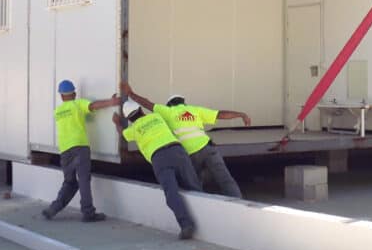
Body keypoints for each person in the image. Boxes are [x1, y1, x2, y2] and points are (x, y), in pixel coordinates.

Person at [120, 81, 250, 198]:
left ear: (170, 105)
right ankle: (238, 202)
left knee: (194, 184)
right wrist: (240, 114)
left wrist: (130, 93)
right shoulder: (195, 110)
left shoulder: (168, 112)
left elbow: (147, 103)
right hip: (208, 148)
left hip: (189, 154)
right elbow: (220, 114)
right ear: (183, 102)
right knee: (225, 179)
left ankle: (201, 207)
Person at [112, 98, 202, 239]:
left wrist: (117, 122)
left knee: (171, 193)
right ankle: (208, 217)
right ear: (141, 111)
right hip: (177, 151)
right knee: (193, 185)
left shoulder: (134, 130)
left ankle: (186, 225)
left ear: (129, 119)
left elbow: (122, 133)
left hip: (159, 158)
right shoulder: (157, 117)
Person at [42, 80, 121, 222]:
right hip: (80, 147)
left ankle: (53, 209)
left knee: (69, 182)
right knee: (83, 180)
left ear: (61, 96)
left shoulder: (58, 111)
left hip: (65, 150)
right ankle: (88, 212)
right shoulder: (77, 104)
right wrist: (112, 101)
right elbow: (94, 105)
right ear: (74, 93)